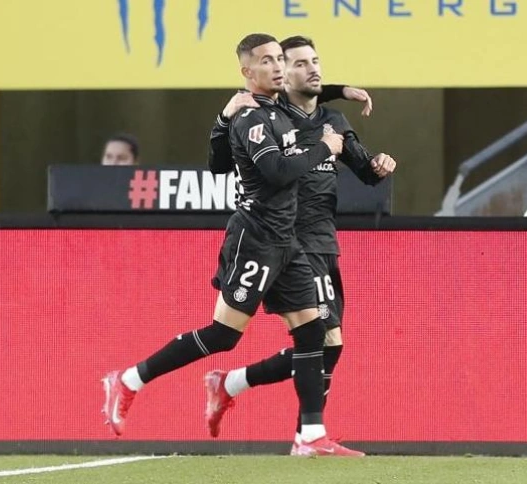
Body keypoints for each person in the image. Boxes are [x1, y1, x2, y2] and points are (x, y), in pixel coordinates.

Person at [102, 33, 360, 457]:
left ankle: (310, 436)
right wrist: (324, 148)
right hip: (256, 237)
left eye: (281, 59)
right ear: (247, 72)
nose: (279, 66)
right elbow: (277, 172)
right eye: (267, 61)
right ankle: (128, 380)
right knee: (223, 334)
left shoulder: (273, 108)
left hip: (287, 239)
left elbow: (221, 159)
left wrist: (342, 91)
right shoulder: (254, 117)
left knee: (315, 332)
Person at [203, 35, 397, 455]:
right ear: (282, 75)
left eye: (316, 61)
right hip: (291, 239)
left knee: (327, 344)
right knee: (323, 341)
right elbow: (232, 156)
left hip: (325, 240)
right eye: (298, 63)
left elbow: (365, 172)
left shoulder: (335, 123)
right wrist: (225, 115)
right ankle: (307, 436)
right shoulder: (273, 114)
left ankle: (238, 387)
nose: (312, 69)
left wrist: (380, 165)